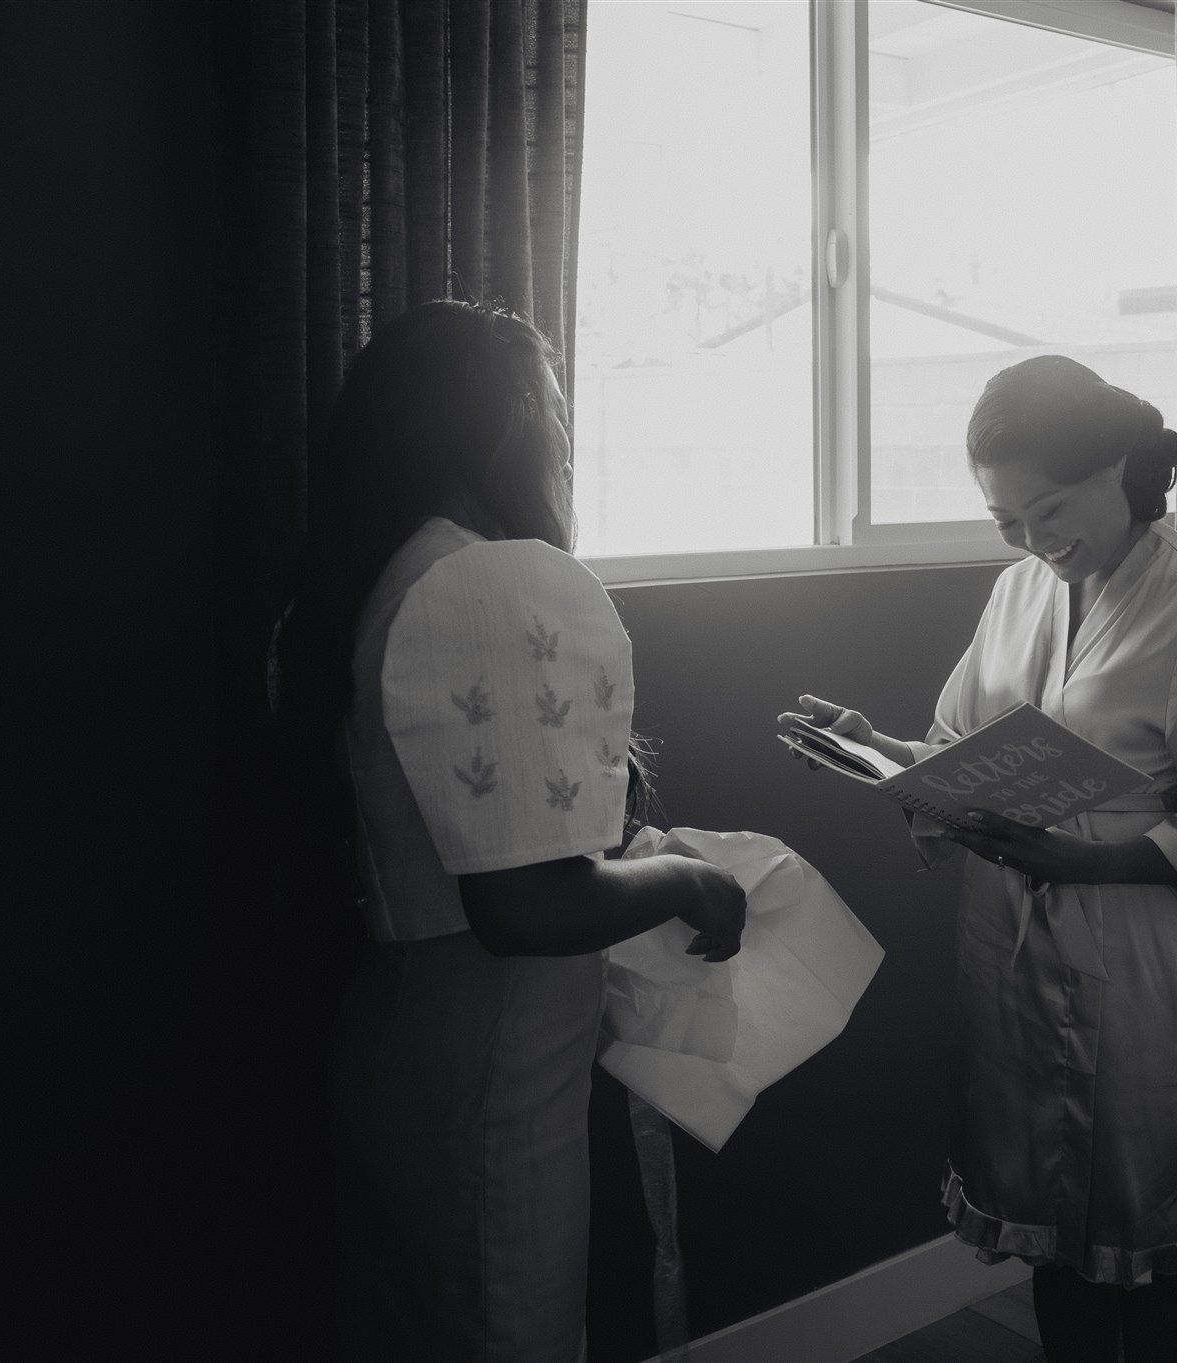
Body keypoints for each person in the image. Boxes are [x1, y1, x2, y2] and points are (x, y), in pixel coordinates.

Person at [783, 355, 1177, 1363]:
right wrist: (876, 748)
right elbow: (962, 749)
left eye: (1048, 508)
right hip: (1009, 947)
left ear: (1117, 468)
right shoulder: (1017, 593)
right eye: (1006, 521)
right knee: (1051, 1235)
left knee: (1145, 1234)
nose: (1033, 539)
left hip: (1136, 953)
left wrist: (1083, 862)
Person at [272, 301, 747, 1361]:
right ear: (508, 427)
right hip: (492, 1042)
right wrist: (680, 880)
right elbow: (524, 905)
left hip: (399, 1029)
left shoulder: (374, 576)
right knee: (506, 1327)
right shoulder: (488, 579)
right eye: (556, 414)